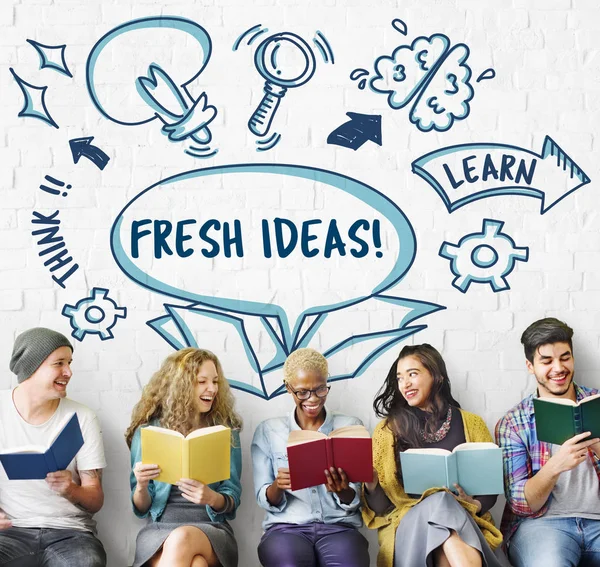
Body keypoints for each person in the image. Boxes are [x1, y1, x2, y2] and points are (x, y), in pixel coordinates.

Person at [362, 344, 503, 567]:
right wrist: (370, 482)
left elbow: (489, 489)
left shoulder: (472, 424)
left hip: (463, 521)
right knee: (441, 499)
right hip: (410, 526)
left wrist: (474, 504)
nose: (404, 384)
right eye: (399, 378)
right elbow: (382, 509)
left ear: (436, 376)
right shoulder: (387, 431)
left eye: (413, 374)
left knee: (445, 540)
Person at [495, 318, 600, 566]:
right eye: (547, 361)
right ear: (530, 366)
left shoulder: (597, 402)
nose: (558, 368)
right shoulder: (513, 423)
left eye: (565, 357)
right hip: (541, 526)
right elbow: (521, 504)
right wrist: (555, 465)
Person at [251, 348, 370, 567]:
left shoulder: (350, 426)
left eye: (320, 389)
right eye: (303, 392)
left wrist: (342, 490)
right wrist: (279, 486)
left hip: (339, 528)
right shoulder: (269, 431)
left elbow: (357, 497)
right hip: (286, 529)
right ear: (289, 388)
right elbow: (263, 497)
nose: (313, 399)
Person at [0, 327, 107, 567]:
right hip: (10, 532)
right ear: (31, 367)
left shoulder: (81, 417)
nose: (68, 372)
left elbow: (95, 499)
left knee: (87, 563)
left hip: (70, 534)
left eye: (69, 362)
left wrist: (71, 489)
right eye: (59, 363)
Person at [126, 347, 242, 567]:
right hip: (159, 530)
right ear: (181, 386)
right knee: (197, 564)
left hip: (212, 529)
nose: (212, 389)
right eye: (202, 381)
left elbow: (232, 499)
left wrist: (211, 498)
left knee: (183, 538)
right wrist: (141, 485)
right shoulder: (149, 432)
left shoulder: (225, 432)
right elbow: (141, 509)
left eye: (215, 381)